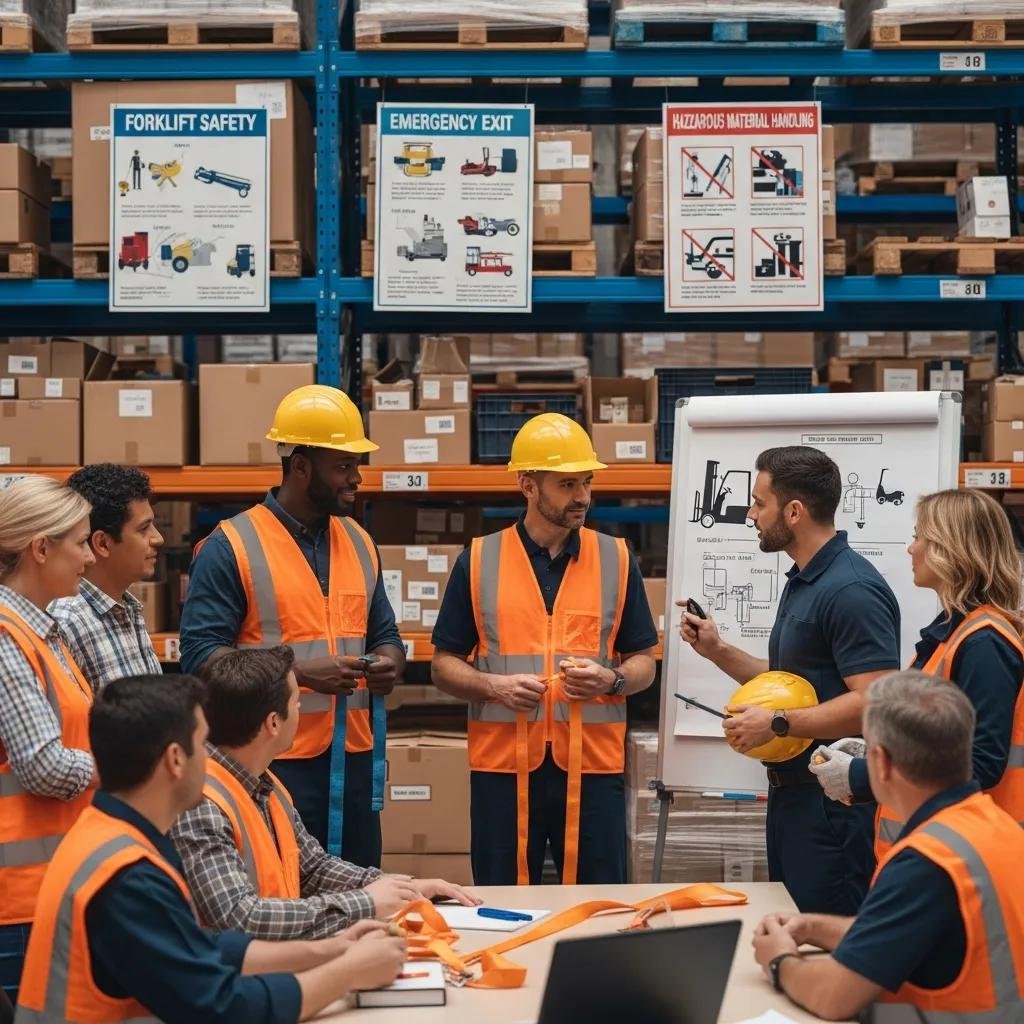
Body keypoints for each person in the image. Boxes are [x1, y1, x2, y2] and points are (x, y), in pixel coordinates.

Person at [15, 673, 406, 1024]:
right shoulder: (126, 878)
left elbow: (203, 948)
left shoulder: (110, 835)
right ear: (174, 760)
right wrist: (348, 973)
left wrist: (331, 950)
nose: (212, 759)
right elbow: (222, 1007)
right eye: (203, 744)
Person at [179, 385, 404, 865]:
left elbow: (384, 632)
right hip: (271, 759)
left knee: (361, 896)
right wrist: (299, 672)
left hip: (353, 758)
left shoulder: (360, 541)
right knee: (280, 892)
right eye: (343, 467)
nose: (357, 478)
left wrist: (389, 661)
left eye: (356, 465)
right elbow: (200, 658)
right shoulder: (231, 546)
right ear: (300, 466)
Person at [431, 414, 658, 886]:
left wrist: (612, 679)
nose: (583, 497)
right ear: (528, 485)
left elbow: (644, 661)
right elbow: (442, 666)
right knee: (503, 901)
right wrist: (492, 685)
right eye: (567, 484)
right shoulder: (477, 560)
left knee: (597, 906)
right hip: (503, 770)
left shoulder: (615, 559)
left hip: (593, 769)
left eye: (587, 482)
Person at [679, 447, 901, 915]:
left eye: (760, 503)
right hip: (794, 800)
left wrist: (777, 723)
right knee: (797, 931)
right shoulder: (806, 581)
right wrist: (716, 649)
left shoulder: (851, 590)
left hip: (832, 808)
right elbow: (788, 678)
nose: (752, 516)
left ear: (794, 511)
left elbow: (874, 701)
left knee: (826, 942)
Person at [752, 670, 1024, 1022]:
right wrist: (812, 928)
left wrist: (778, 961)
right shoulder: (995, 828)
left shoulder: (928, 861)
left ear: (880, 763)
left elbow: (834, 996)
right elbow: (901, 932)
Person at [171, 646, 480, 939]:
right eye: (296, 703)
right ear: (273, 723)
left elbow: (313, 869)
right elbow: (240, 918)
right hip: (231, 982)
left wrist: (400, 888)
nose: (301, 709)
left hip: (272, 965)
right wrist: (366, 903)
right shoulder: (201, 804)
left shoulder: (265, 785)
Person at [811, 488, 1024, 857]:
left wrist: (865, 775)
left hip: (966, 857)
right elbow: (940, 744)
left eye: (918, 536)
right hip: (939, 850)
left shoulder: (983, 644)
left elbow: (980, 764)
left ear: (949, 547)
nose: (911, 548)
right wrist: (881, 754)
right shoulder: (954, 634)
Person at [0, 476, 97, 1003]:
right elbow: (41, 765)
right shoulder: (5, 636)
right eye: (80, 542)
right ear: (41, 548)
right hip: (18, 902)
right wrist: (127, 762)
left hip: (53, 885)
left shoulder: (44, 632)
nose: (89, 555)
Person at [49, 465, 164, 690]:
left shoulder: (127, 608)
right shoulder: (67, 623)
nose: (158, 538)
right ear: (102, 543)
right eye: (143, 529)